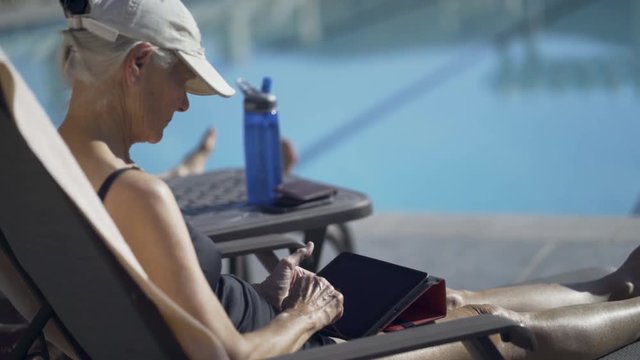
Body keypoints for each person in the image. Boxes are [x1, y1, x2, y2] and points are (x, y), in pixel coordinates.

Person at [56, 0, 640, 359]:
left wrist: (263, 295)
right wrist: (307, 316)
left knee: (452, 299)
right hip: (313, 349)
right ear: (136, 65)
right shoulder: (140, 195)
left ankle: (615, 282)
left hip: (281, 326)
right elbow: (223, 356)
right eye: (182, 81)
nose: (184, 104)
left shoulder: (55, 175)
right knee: (499, 329)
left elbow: (185, 311)